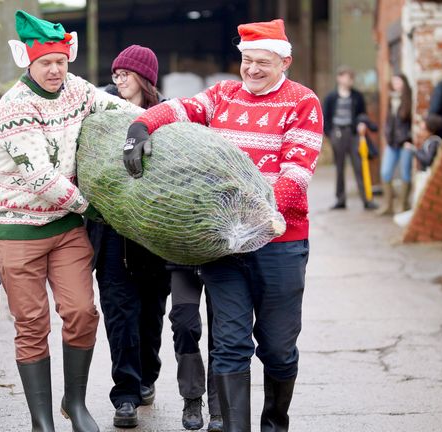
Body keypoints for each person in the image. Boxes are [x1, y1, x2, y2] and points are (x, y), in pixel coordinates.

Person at [123, 19, 322, 432]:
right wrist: (141, 126)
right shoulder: (223, 95)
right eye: (247, 60)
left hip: (278, 242)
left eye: (262, 62)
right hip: (224, 246)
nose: (251, 69)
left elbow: (297, 173)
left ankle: (274, 423)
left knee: (278, 350)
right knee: (229, 345)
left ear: (284, 61)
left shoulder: (303, 102)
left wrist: (256, 221)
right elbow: (180, 109)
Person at [0, 11, 141, 432]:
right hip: (18, 227)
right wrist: (93, 208)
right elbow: (39, 177)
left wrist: (150, 123)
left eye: (60, 61)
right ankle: (41, 419)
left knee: (81, 312)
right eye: (46, 63)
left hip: (66, 227)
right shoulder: (16, 105)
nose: (55, 70)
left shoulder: (77, 89)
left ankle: (74, 401)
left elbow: (118, 109)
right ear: (29, 63)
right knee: (33, 323)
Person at [86, 45, 172, 429]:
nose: (118, 79)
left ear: (145, 78)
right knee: (120, 314)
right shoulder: (100, 113)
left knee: (152, 313)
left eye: (126, 74)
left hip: (153, 235)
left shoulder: (167, 116)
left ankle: (147, 376)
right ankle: (125, 395)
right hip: (110, 235)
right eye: (115, 72)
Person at [167, 265, 223, 431]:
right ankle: (191, 396)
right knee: (183, 325)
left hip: (224, 263)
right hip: (182, 261)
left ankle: (219, 406)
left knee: (222, 332)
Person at [322, 66, 377, 210]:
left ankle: (366, 200)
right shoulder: (331, 97)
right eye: (347, 77)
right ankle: (340, 200)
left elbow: (362, 115)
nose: (349, 80)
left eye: (351, 77)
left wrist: (361, 124)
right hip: (337, 134)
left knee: (359, 166)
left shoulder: (357, 96)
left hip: (353, 134)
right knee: (339, 168)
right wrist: (330, 134)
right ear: (339, 78)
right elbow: (325, 117)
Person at [377, 73, 413, 216]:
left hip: (405, 144)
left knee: (405, 174)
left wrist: (409, 140)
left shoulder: (410, 100)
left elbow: (412, 123)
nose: (396, 85)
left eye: (398, 82)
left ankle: (403, 205)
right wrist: (386, 136)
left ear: (404, 83)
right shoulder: (392, 99)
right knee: (385, 173)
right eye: (394, 82)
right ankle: (388, 205)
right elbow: (389, 123)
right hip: (392, 144)